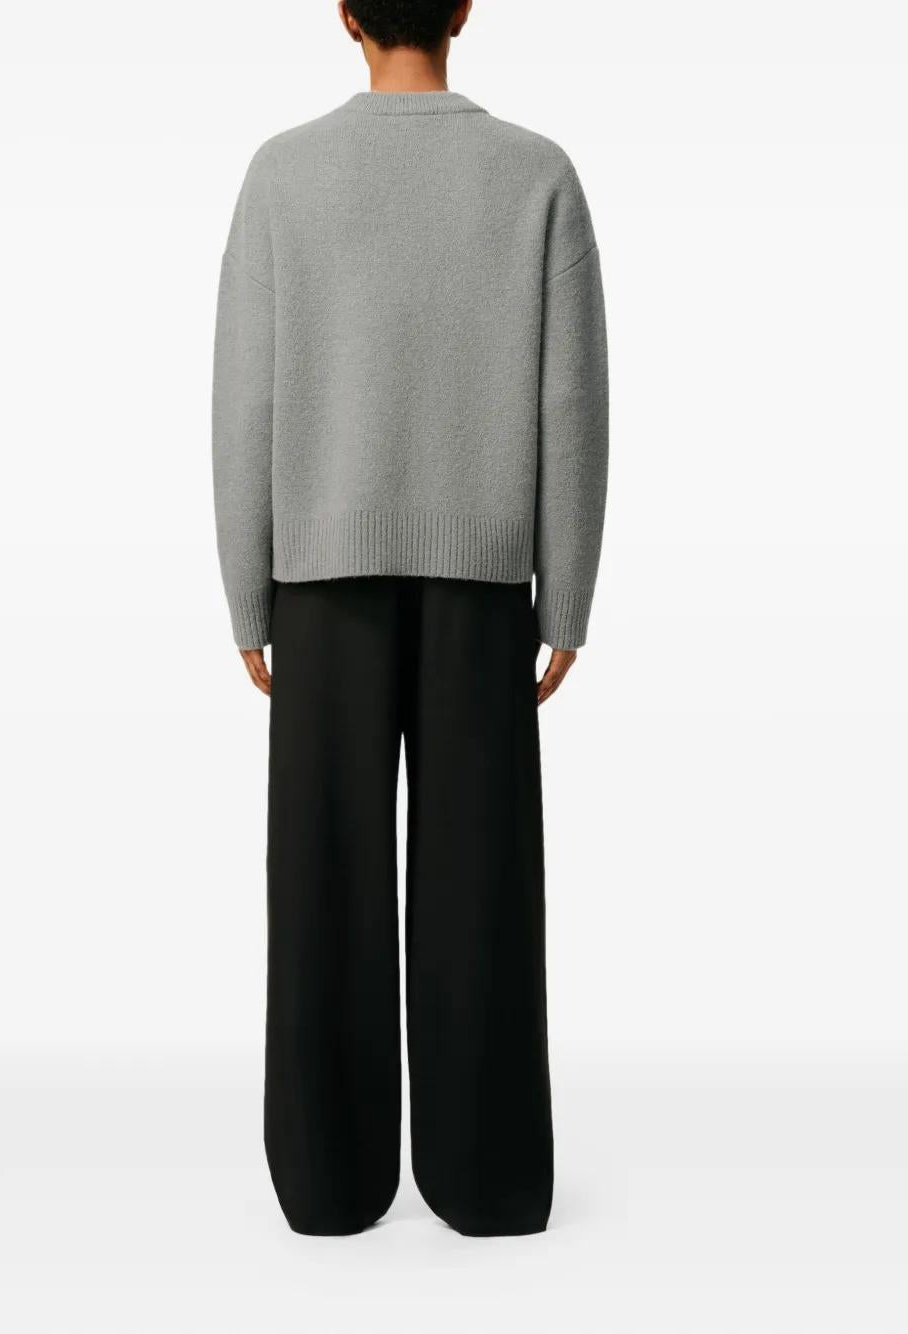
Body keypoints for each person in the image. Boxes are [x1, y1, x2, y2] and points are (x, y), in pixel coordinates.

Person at [212, 0, 608, 1237]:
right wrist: (566, 592)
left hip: (319, 582)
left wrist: (246, 588)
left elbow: (243, 397)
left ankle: (328, 1182)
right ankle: (487, 1179)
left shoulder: (284, 175)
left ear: (343, 15)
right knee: (482, 883)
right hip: (484, 585)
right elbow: (572, 401)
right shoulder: (536, 175)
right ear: (464, 9)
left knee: (321, 882)